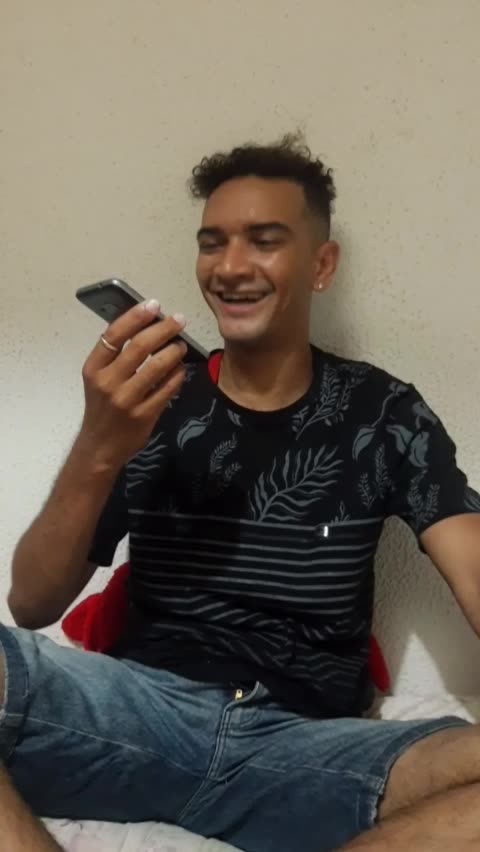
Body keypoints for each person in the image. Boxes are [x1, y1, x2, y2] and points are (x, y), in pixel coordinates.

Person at [2, 134, 480, 852]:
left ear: (321, 265)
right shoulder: (151, 403)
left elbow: (473, 565)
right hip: (139, 717)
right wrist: (98, 447)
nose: (228, 267)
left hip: (310, 749)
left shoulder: (384, 413)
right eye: (212, 243)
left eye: (264, 240)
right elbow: (31, 604)